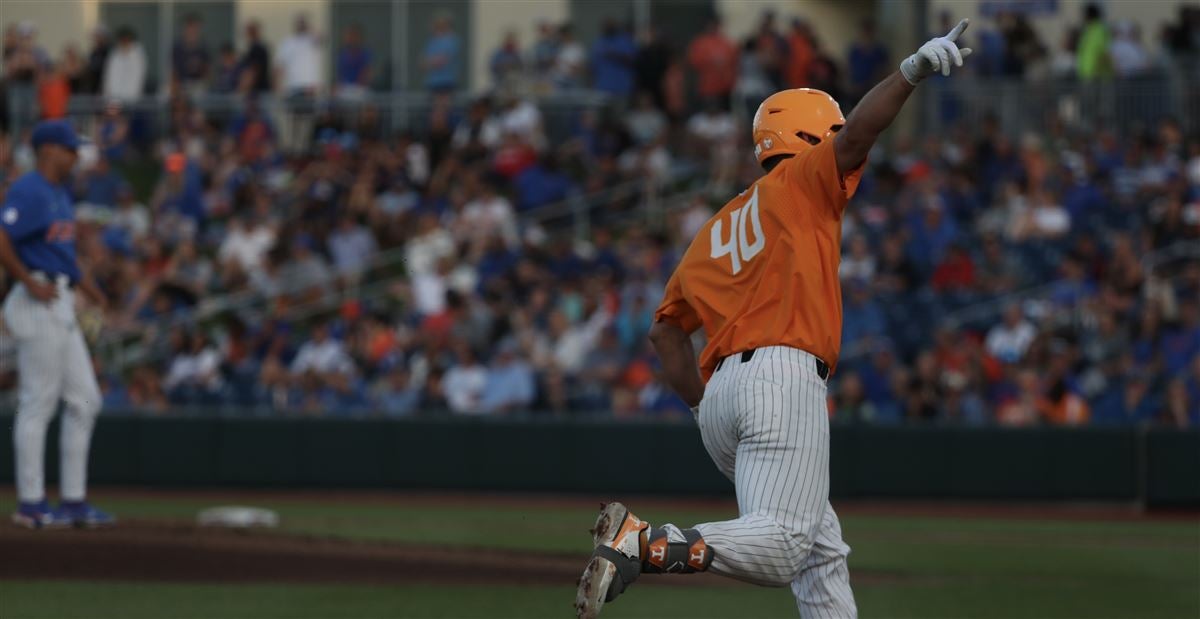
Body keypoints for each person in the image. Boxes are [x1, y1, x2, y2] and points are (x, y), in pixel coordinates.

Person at [575, 19, 975, 619]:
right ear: (810, 135)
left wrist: (701, 407)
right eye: (829, 130)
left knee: (820, 552)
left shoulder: (713, 229)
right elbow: (860, 135)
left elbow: (665, 333)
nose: (838, 138)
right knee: (786, 543)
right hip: (782, 376)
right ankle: (645, 543)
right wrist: (911, 71)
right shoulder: (802, 179)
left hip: (721, 398)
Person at [0, 121, 114, 528]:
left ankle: (73, 502)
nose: (75, 156)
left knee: (85, 399)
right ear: (49, 150)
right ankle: (31, 504)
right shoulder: (29, 189)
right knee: (38, 402)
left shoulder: (60, 194)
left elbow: (64, 258)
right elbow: (2, 235)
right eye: (70, 149)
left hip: (61, 297)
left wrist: (96, 293)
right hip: (37, 299)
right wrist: (27, 280)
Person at [101, 27, 146, 103]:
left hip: (131, 99)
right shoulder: (114, 54)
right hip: (113, 100)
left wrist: (131, 99)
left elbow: (137, 79)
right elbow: (108, 76)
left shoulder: (138, 55)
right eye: (122, 40)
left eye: (126, 40)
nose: (123, 42)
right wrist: (107, 96)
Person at [172, 13, 211, 97]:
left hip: (198, 84)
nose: (193, 31)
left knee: (199, 95)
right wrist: (176, 88)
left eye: (196, 28)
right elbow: (174, 72)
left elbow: (207, 71)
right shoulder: (178, 47)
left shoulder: (203, 47)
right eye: (190, 27)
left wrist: (205, 83)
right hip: (181, 84)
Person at [422, 13, 461, 94]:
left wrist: (431, 62)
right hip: (433, 81)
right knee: (435, 105)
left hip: (446, 82)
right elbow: (422, 63)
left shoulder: (451, 40)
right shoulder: (432, 41)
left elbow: (441, 61)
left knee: (443, 104)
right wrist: (432, 62)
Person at [335, 24, 373, 102]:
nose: (349, 38)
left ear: (358, 37)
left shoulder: (365, 53)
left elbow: (367, 73)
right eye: (347, 35)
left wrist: (358, 87)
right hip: (345, 88)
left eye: (351, 35)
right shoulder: (342, 54)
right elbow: (340, 74)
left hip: (359, 88)